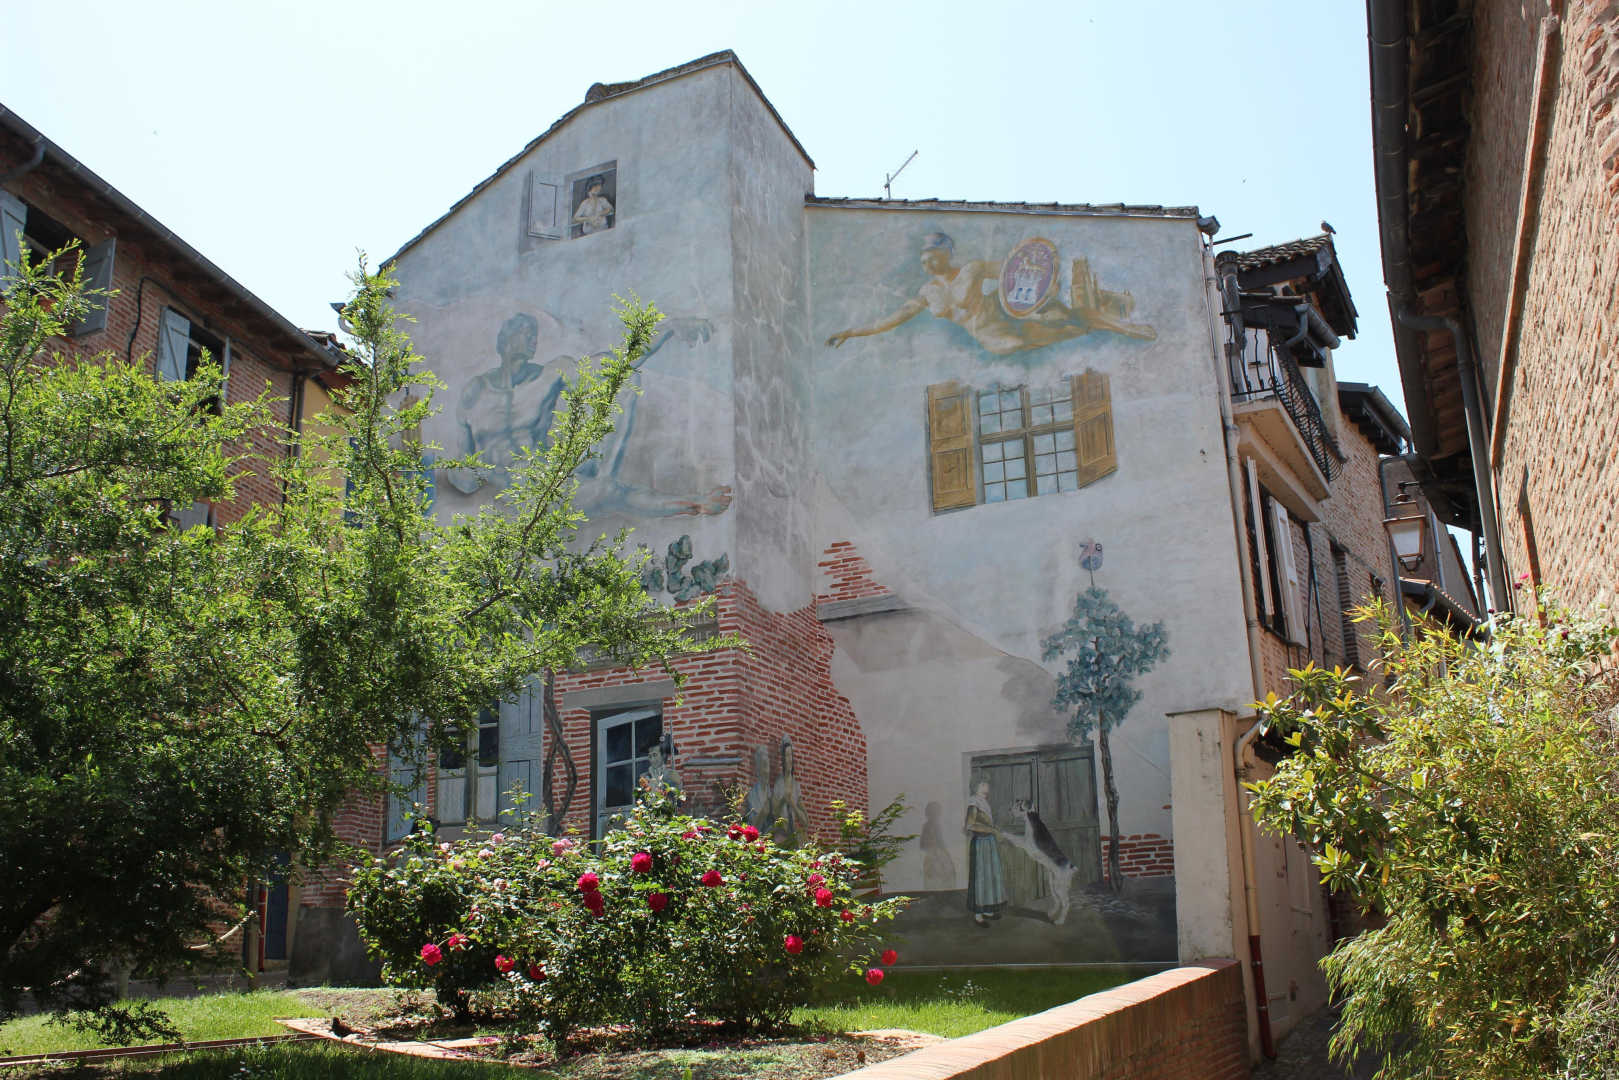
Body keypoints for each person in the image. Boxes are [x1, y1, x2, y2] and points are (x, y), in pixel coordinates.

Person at [443, 312, 731, 517]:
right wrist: (477, 473)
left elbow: (618, 361)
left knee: (624, 381)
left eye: (535, 334)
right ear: (505, 339)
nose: (533, 339)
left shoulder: (550, 375)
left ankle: (692, 503)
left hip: (550, 476)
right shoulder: (474, 391)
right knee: (608, 492)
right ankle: (691, 502)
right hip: (514, 489)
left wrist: (668, 329)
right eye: (525, 332)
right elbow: (462, 470)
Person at [825, 232, 1156, 357]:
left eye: (932, 257)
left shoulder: (973, 268)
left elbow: (1016, 269)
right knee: (1069, 331)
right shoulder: (927, 292)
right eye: (923, 260)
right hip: (992, 335)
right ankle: (1108, 316)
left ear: (946, 253)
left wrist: (1045, 283)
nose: (927, 264)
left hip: (1003, 310)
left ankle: (1122, 323)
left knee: (1063, 318)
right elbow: (890, 320)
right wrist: (851, 332)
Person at [964, 779, 1007, 926]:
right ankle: (978, 915)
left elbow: (986, 823)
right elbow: (970, 825)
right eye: (983, 784)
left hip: (989, 843)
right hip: (980, 844)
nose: (987, 786)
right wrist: (992, 830)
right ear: (977, 786)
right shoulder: (973, 803)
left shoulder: (983, 802)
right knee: (980, 878)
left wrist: (994, 829)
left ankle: (987, 910)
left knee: (990, 877)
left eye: (987, 784)